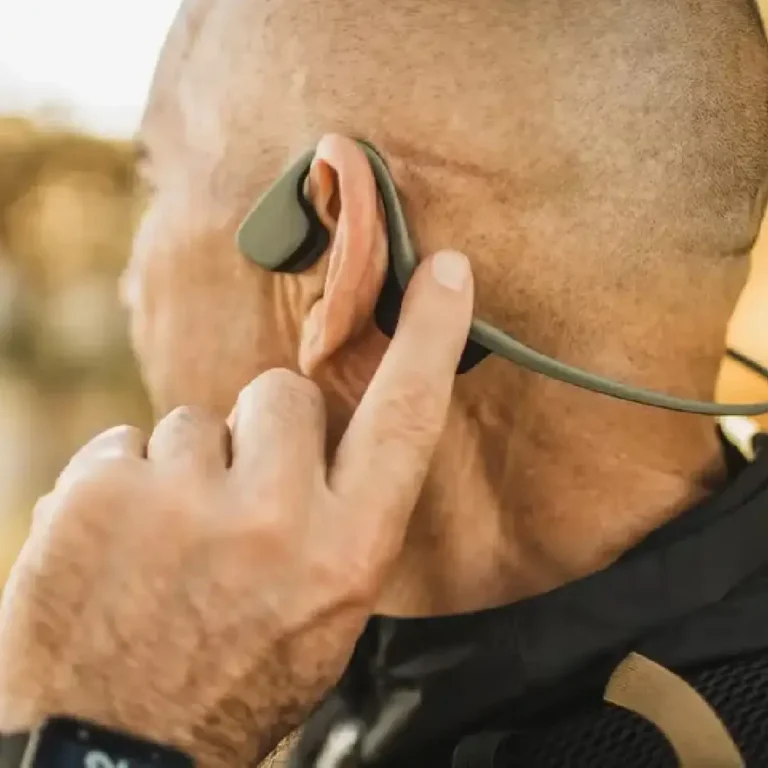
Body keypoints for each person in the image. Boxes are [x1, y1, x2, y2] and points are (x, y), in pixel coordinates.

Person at [2, 0, 768, 766]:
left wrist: (109, 737)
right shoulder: (331, 657)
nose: (128, 284)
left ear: (330, 241)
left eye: (155, 186)